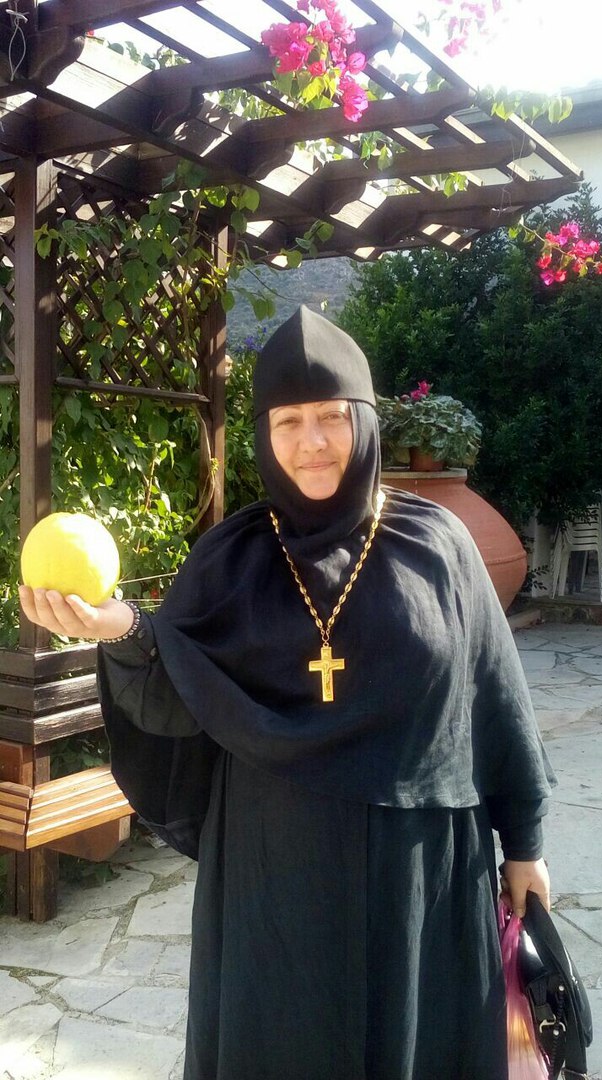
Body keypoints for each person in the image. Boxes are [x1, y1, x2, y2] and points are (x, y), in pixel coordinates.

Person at [20, 305, 553, 1080]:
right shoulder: (231, 558)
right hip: (275, 876)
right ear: (263, 435)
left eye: (331, 416)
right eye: (288, 421)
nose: (312, 441)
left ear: (364, 421)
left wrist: (524, 844)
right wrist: (122, 631)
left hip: (421, 876)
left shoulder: (438, 546)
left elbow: (497, 697)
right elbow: (178, 682)